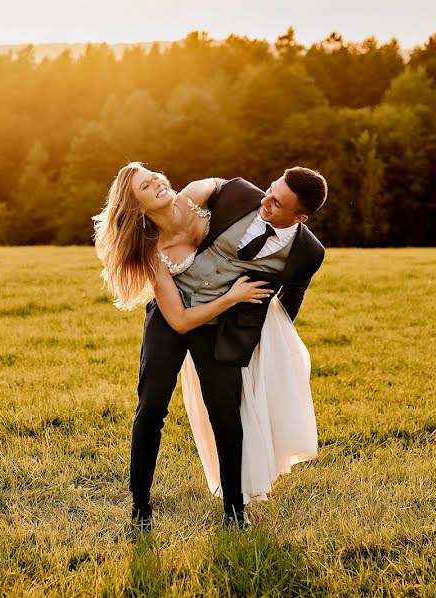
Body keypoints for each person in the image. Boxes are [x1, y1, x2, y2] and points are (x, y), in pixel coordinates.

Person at [93, 162, 326, 530]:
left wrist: (262, 333)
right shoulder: (152, 246)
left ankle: (235, 513)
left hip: (219, 326)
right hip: (174, 319)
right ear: (136, 207)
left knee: (226, 413)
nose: (156, 181)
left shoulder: (199, 197)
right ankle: (140, 508)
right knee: (152, 406)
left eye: (154, 176)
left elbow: (221, 185)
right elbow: (180, 320)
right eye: (145, 186)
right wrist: (233, 297)